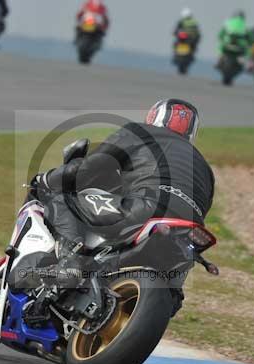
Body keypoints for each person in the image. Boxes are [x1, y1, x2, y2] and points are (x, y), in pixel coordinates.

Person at [25, 100, 215, 318]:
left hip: (147, 208)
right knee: (174, 289)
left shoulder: (140, 132)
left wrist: (48, 178)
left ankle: (71, 262)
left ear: (153, 117)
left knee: (61, 196)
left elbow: (93, 166)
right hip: (188, 229)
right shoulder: (205, 169)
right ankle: (169, 296)